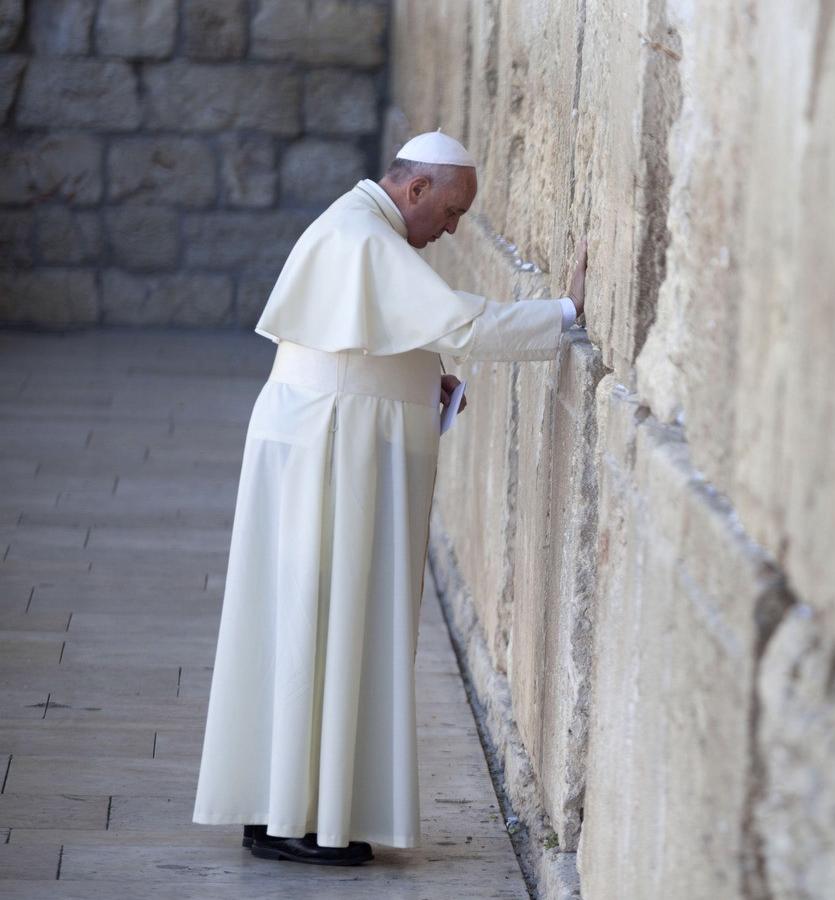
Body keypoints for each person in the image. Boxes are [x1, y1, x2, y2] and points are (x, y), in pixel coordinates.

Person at [190, 131, 589, 866]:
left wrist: (420, 379)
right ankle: (299, 822)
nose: (453, 229)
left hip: (325, 444)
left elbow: (369, 341)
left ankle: (281, 808)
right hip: (329, 456)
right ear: (415, 190)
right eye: (450, 211)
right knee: (326, 621)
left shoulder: (361, 226)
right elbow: (460, 322)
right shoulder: (365, 238)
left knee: (305, 622)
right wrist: (563, 313)